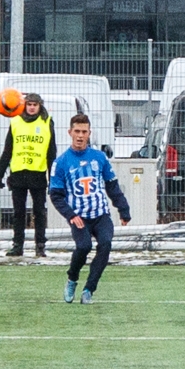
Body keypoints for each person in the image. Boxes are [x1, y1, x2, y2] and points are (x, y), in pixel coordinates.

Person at [50, 114, 131, 304]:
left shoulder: (99, 158)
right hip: (79, 217)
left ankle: (89, 289)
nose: (80, 136)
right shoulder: (61, 162)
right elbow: (55, 195)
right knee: (84, 246)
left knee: (105, 244)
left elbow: (112, 185)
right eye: (76, 131)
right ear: (69, 132)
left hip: (101, 214)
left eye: (84, 132)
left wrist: (123, 210)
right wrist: (70, 215)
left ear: (89, 134)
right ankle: (72, 279)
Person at [0, 92, 57, 258]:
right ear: (24, 105)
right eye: (29, 104)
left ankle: (40, 246)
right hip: (18, 174)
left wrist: (53, 178)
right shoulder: (15, 121)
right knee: (18, 213)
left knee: (39, 212)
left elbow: (52, 152)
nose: (31, 107)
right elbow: (8, 150)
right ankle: (17, 246)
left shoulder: (47, 122)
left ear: (40, 106)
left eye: (34, 105)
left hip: (37, 174)